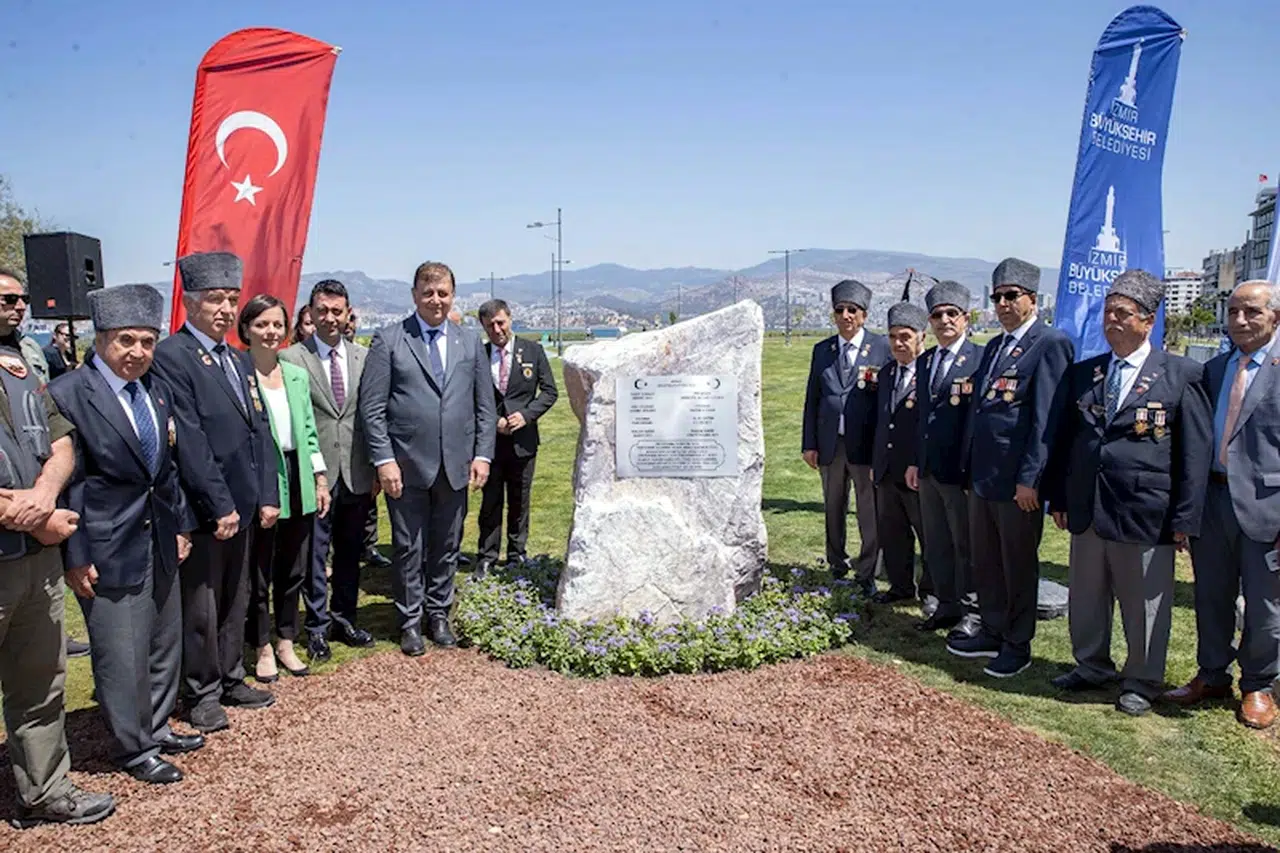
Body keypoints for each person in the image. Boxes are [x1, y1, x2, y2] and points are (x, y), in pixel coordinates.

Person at [50, 284, 206, 783]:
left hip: (160, 536)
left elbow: (167, 468)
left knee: (163, 642)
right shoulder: (70, 394)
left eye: (147, 341)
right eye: (125, 341)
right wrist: (75, 555)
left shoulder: (154, 389)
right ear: (100, 339)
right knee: (121, 653)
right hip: (104, 543)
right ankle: (131, 746)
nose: (138, 352)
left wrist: (181, 523)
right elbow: (67, 482)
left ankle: (156, 728)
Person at [1045, 270, 1211, 716]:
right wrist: (1058, 495)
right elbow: (1065, 441)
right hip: (1087, 505)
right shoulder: (1085, 373)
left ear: (1148, 320)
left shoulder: (1181, 375)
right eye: (1108, 312)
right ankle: (1091, 665)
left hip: (1145, 511)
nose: (1112, 320)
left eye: (1124, 313)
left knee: (1144, 603)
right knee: (1087, 593)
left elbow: (1193, 456)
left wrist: (1185, 520)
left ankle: (1141, 679)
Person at [0, 267, 114, 828]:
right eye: (5, 298)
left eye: (21, 299)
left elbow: (61, 440)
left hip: (35, 560)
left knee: (40, 683)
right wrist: (27, 516)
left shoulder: (23, 367)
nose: (18, 307)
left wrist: (43, 496)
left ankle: (46, 791)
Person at [150, 251, 279, 733]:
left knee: (236, 596)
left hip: (243, 504)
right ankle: (201, 691)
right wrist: (218, 504)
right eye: (214, 300)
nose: (225, 309)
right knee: (201, 605)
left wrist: (267, 492)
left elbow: (258, 430)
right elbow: (190, 439)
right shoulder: (172, 357)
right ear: (190, 302)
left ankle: (230, 675)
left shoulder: (238, 359)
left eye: (231, 299)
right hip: (204, 509)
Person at [359, 261, 496, 655]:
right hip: (406, 465)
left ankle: (439, 614)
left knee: (447, 544)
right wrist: (383, 460)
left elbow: (483, 406)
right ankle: (409, 620)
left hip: (456, 463)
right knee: (408, 546)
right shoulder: (389, 340)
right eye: (428, 292)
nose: (436, 300)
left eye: (443, 293)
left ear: (453, 295)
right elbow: (373, 408)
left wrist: (483, 455)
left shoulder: (469, 342)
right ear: (415, 295)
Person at [948, 257, 1073, 678]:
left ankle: (1018, 644)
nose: (1001, 303)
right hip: (984, 476)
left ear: (1031, 300)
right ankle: (993, 626)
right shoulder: (997, 345)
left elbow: (1045, 421)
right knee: (986, 561)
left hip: (1017, 482)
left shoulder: (1049, 343)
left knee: (1017, 564)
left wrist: (1030, 480)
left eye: (1010, 296)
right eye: (996, 296)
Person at [1163, 280, 1280, 728]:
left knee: (1265, 606)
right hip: (1212, 500)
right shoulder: (1212, 370)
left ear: (1274, 317)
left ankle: (1258, 685)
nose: (1239, 321)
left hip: (1267, 507)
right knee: (1211, 597)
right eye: (1233, 312)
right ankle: (1212, 674)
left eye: (1251, 312)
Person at [280, 280, 378, 663]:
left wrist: (374, 469)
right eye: (323, 310)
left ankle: (344, 619)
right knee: (314, 555)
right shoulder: (291, 359)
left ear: (348, 313)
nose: (330, 318)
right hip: (313, 474)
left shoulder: (363, 358)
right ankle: (316, 627)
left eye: (337, 311)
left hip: (356, 471)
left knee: (351, 551)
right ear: (311, 313)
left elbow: (369, 417)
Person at [240, 295, 331, 682]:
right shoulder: (238, 374)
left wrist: (320, 478)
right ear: (246, 329)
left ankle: (286, 640)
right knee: (259, 570)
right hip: (261, 479)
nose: (270, 332)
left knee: (293, 567)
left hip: (298, 477)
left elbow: (308, 432)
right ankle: (260, 645)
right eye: (262, 324)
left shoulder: (295, 374)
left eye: (277, 325)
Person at [801, 279, 889, 596]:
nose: (846, 315)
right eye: (840, 310)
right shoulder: (822, 350)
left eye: (852, 310)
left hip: (865, 446)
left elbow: (887, 403)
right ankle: (837, 563)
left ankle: (867, 571)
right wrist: (808, 443)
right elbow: (812, 398)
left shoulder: (882, 348)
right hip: (830, 445)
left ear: (864, 315)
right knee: (833, 507)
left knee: (869, 511)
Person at [907, 281, 985, 635]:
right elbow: (920, 418)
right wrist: (914, 460)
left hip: (960, 470)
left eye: (951, 314)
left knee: (965, 543)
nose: (944, 321)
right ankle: (946, 604)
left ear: (965, 319)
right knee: (936, 542)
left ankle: (972, 609)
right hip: (928, 469)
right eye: (937, 316)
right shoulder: (925, 363)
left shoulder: (979, 359)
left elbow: (980, 420)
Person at [476, 298, 558, 575]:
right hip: (491, 442)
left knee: (520, 501)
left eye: (500, 322)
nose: (497, 329)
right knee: (491, 501)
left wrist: (526, 415)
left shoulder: (533, 351)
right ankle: (486, 556)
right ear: (483, 327)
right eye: (490, 326)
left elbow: (549, 392)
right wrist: (493, 421)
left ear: (510, 318)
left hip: (524, 441)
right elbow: (471, 398)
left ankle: (516, 554)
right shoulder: (479, 355)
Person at [871, 302, 932, 606]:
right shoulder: (886, 374)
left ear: (922, 336)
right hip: (887, 469)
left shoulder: (931, 372)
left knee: (928, 534)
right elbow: (882, 421)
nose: (898, 343)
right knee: (893, 533)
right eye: (893, 336)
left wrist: (918, 462)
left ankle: (932, 591)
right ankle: (900, 585)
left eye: (905, 336)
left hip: (916, 470)